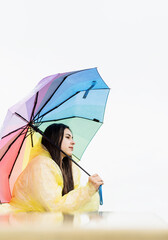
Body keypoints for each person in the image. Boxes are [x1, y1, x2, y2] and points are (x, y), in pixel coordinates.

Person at [9, 123, 104, 213]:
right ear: (54, 139)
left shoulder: (69, 169)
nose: (73, 142)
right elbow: (52, 207)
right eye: (67, 137)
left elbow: (71, 203)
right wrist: (88, 190)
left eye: (72, 138)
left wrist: (92, 188)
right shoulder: (41, 166)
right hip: (28, 224)